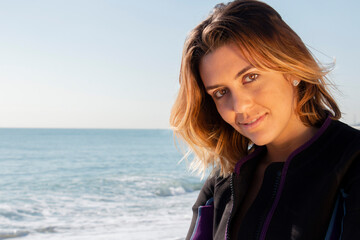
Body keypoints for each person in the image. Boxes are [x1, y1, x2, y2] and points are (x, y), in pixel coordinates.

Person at [169, 0, 360, 239]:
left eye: (251, 77)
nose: (239, 106)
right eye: (220, 92)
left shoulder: (353, 162)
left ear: (292, 69)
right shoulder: (221, 183)